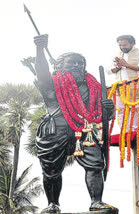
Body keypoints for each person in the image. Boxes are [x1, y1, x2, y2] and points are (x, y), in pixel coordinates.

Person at [33, 34, 118, 213]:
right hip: (56, 129)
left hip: (85, 129)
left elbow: (102, 116)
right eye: (73, 63)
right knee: (51, 170)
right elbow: (41, 71)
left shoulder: (94, 85)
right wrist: (40, 49)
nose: (78, 66)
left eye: (81, 63)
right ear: (58, 66)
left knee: (96, 165)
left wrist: (108, 109)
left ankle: (96, 202)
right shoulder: (51, 83)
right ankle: (53, 204)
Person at [107, 35, 139, 130]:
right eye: (120, 45)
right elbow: (108, 70)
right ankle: (123, 130)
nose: (122, 47)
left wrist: (127, 65)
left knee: (136, 108)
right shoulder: (116, 53)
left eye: (124, 45)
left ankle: (134, 130)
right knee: (121, 109)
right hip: (120, 86)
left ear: (132, 44)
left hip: (136, 85)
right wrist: (118, 66)